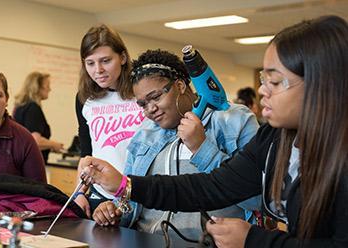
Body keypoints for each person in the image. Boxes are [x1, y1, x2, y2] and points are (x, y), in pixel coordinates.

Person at [80, 15, 348, 247]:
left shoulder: (338, 158)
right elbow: (210, 187)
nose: (263, 90)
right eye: (263, 80)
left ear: (321, 85)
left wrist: (254, 240)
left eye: (275, 81)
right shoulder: (275, 139)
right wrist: (126, 187)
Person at [91, 49, 260, 240]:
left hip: (209, 242)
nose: (150, 109)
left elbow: (257, 199)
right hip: (146, 240)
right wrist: (115, 211)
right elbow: (131, 201)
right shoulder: (144, 134)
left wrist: (201, 148)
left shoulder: (234, 121)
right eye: (143, 104)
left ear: (180, 85)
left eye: (155, 97)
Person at [74, 24, 144, 216]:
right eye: (90, 63)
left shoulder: (142, 91)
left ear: (122, 58)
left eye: (105, 61)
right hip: (101, 194)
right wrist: (80, 193)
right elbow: (87, 152)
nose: (98, 70)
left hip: (142, 192)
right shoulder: (84, 99)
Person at [13, 72, 64, 163]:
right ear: (37, 87)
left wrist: (49, 146)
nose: (50, 89)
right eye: (47, 86)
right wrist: (54, 144)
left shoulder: (20, 107)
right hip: (31, 163)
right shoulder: (33, 108)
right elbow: (35, 141)